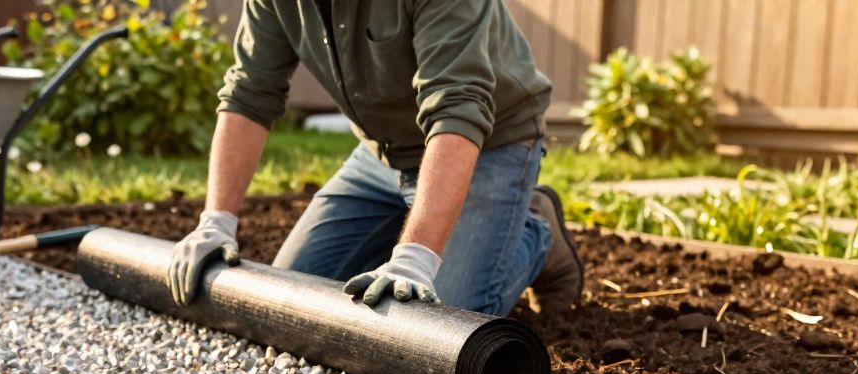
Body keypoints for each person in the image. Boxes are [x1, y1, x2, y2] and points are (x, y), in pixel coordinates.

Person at [167, 0, 583, 315]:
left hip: (487, 144)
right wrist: (216, 220)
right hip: (381, 155)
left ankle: (536, 231)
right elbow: (249, 93)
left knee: (442, 316)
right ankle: (414, 225)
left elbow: (458, 107)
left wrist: (416, 258)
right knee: (293, 295)